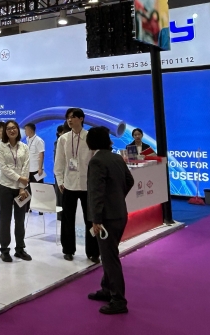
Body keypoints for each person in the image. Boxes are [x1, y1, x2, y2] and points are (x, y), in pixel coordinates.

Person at [86, 126, 134, 315]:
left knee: (110, 258)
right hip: (120, 213)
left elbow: (96, 193)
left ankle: (118, 300)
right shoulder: (116, 158)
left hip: (107, 218)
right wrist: (117, 198)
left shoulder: (96, 161)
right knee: (109, 254)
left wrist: (96, 219)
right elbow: (129, 181)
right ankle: (107, 289)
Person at [54, 108, 100, 262]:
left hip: (87, 185)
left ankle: (93, 252)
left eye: (73, 117)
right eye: (68, 117)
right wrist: (60, 181)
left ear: (81, 119)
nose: (69, 120)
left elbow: (95, 161)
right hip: (69, 184)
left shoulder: (90, 137)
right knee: (67, 219)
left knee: (90, 219)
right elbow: (59, 162)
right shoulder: (63, 139)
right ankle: (68, 250)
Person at [0, 120, 31, 262]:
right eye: (9, 128)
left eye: (14, 128)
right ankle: (4, 250)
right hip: (5, 186)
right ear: (5, 131)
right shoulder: (1, 147)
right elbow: (4, 168)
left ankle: (20, 249)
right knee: (5, 219)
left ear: (18, 129)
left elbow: (26, 166)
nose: (12, 130)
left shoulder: (24, 147)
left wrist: (22, 186)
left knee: (20, 219)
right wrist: (19, 178)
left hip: (21, 189)